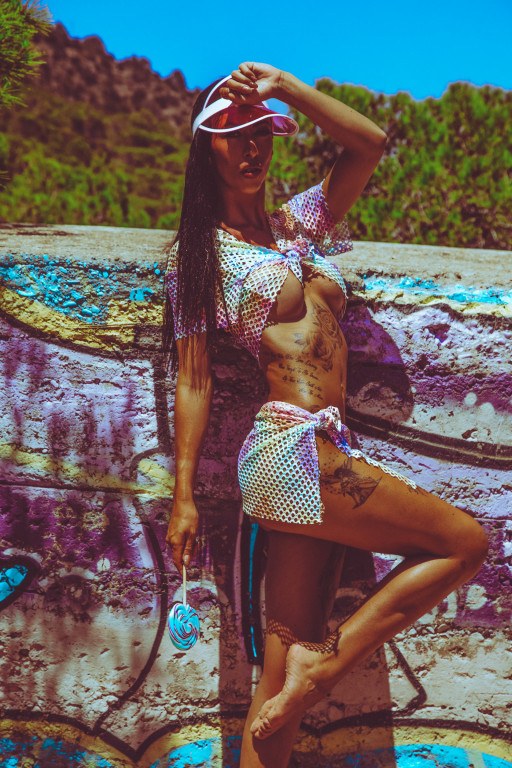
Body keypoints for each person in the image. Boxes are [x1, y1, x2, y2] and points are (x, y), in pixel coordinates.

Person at [163, 62, 488, 768]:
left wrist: (285, 87)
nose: (251, 148)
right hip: (290, 452)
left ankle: (301, 678)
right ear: (205, 146)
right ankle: (326, 669)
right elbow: (193, 379)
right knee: (463, 543)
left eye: (261, 133)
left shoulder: (298, 226)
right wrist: (182, 494)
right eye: (233, 134)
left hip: (321, 454)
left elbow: (370, 144)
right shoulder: (200, 256)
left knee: (277, 681)